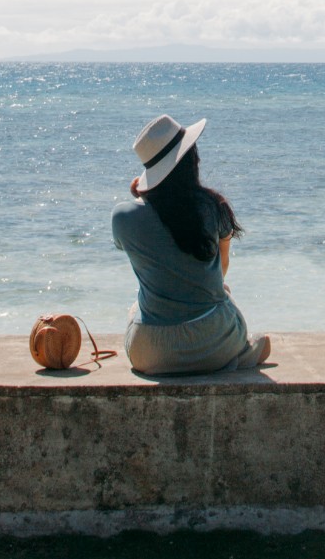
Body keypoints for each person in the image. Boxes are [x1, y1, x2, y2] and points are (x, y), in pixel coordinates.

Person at [112, 114, 271, 376]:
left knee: (136, 308)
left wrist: (140, 193)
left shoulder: (122, 217)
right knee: (223, 293)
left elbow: (150, 228)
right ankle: (240, 352)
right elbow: (219, 272)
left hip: (149, 353)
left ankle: (232, 354)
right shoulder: (213, 206)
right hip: (212, 339)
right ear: (191, 161)